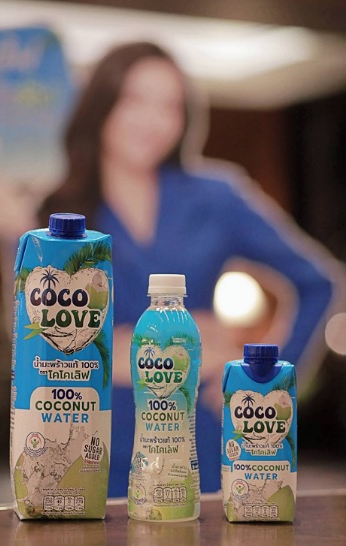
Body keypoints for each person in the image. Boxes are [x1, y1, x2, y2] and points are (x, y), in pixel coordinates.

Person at [34, 41, 342, 496]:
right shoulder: (59, 210)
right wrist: (132, 353)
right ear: (101, 105)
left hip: (194, 433)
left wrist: (263, 384)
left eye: (170, 106)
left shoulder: (217, 196)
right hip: (88, 437)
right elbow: (38, 342)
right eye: (135, 99)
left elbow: (318, 282)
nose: (153, 120)